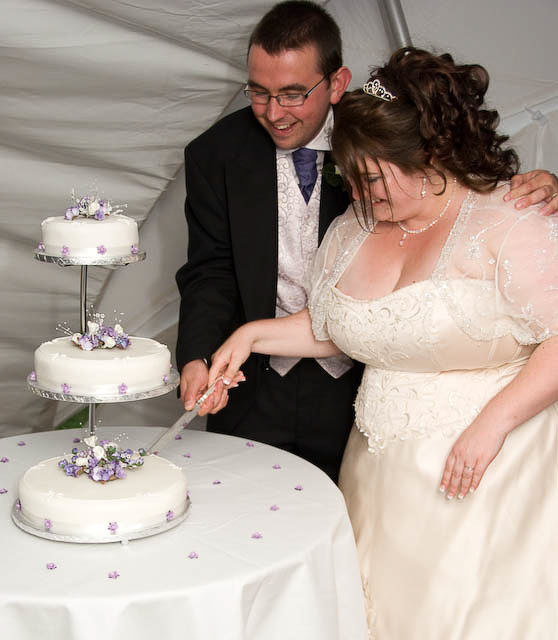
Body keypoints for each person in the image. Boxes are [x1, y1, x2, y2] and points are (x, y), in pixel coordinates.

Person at [208, 48, 558, 637]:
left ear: (428, 156)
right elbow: (338, 326)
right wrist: (250, 336)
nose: (360, 194)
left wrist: (492, 426)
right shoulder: (355, 227)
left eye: (371, 178)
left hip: (489, 470)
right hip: (379, 471)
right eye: (351, 178)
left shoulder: (510, 219)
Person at [175, 0, 558, 482]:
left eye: (292, 94)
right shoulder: (219, 156)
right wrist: (217, 347)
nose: (274, 112)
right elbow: (211, 270)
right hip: (277, 402)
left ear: (336, 83)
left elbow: (485, 210)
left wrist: (549, 187)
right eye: (258, 92)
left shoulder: (395, 132)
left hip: (372, 407)